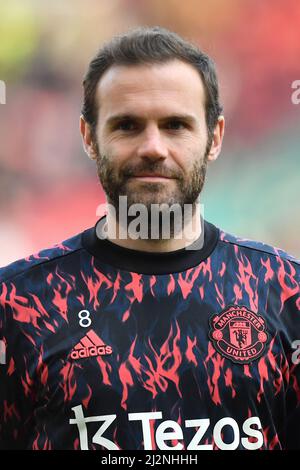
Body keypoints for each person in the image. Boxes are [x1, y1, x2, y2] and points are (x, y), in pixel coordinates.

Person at [0, 26, 299, 451]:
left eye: (176, 125)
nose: (153, 147)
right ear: (89, 137)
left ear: (214, 137)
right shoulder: (17, 306)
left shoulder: (285, 293)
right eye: (127, 126)